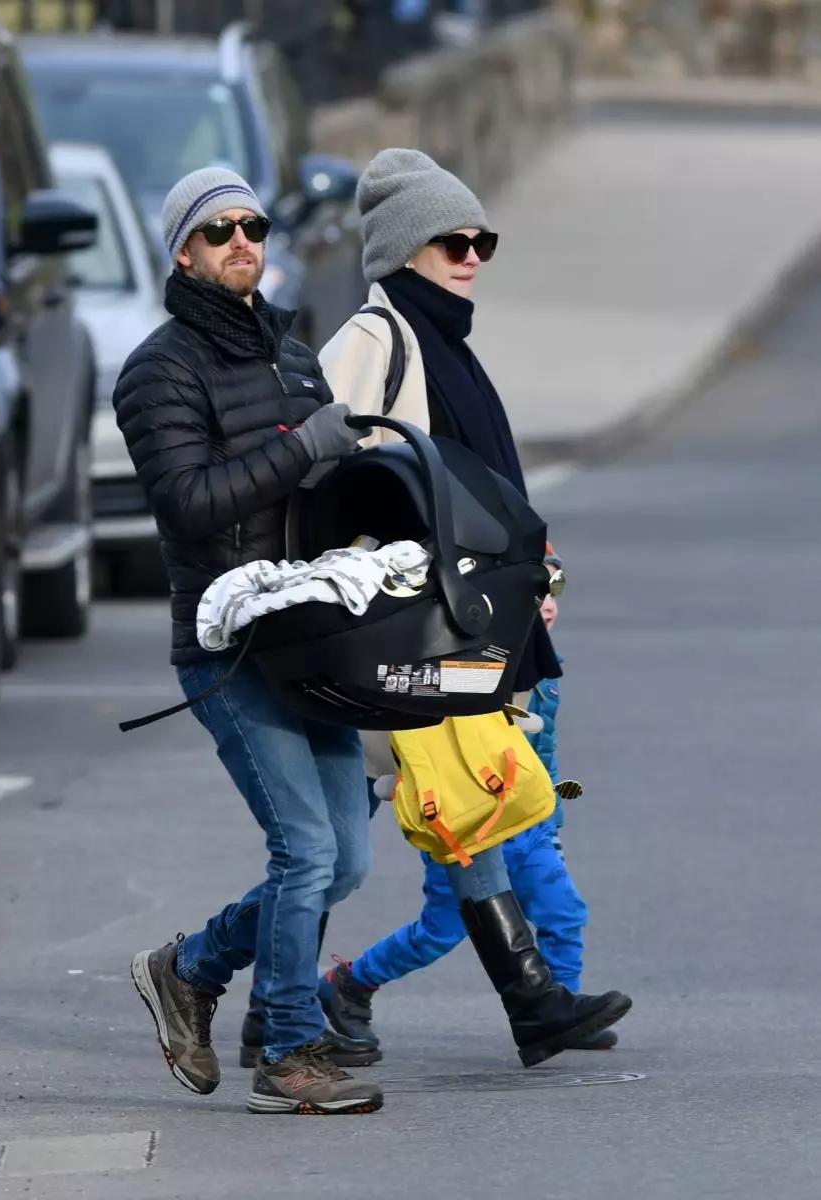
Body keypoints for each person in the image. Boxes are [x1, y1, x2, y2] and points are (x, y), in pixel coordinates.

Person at [308, 148, 631, 1066]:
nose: (473, 254)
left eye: (482, 238)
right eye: (454, 239)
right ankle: (242, 983)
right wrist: (371, 586)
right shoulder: (377, 340)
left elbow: (483, 498)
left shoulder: (447, 347)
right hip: (401, 640)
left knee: (365, 845)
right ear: (405, 249)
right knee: (328, 854)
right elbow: (327, 478)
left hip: (460, 636)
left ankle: (531, 1004)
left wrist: (533, 577)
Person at [113, 166, 384, 1116]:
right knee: (305, 847)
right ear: (184, 252)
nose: (242, 241)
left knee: (346, 859)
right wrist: (305, 448)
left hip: (314, 641)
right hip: (227, 646)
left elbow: (317, 494)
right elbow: (187, 505)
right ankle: (289, 1049)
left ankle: (188, 967)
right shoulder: (157, 369)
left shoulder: (293, 354)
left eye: (253, 225)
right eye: (218, 229)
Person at [318, 550, 619, 1051]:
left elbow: (544, 756)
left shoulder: (542, 667)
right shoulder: (479, 663)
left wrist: (552, 817)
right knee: (440, 930)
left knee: (564, 912)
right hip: (468, 815)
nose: (544, 602)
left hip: (529, 819)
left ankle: (561, 1005)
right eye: (533, 590)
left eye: (554, 588)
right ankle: (351, 982)